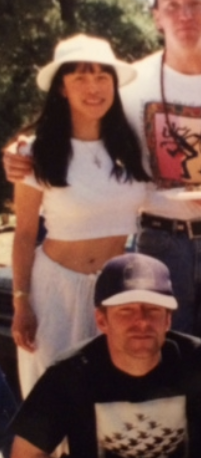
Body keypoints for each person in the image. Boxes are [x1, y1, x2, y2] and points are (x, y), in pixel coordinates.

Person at [5, 0, 201, 375]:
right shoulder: (133, 84)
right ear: (156, 16)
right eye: (172, 4)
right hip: (159, 244)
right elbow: (78, 128)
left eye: (196, 4)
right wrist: (22, 151)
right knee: (154, 371)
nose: (185, 14)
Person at [8, 252, 201, 458]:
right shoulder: (68, 375)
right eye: (126, 311)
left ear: (168, 320)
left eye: (153, 310)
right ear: (101, 320)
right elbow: (24, 454)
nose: (141, 322)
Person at [11, 34, 150, 397]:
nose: (94, 88)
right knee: (53, 396)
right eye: (80, 78)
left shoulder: (132, 144)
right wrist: (21, 300)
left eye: (103, 77)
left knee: (111, 399)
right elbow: (25, 234)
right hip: (54, 288)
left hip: (115, 291)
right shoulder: (33, 151)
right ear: (61, 88)